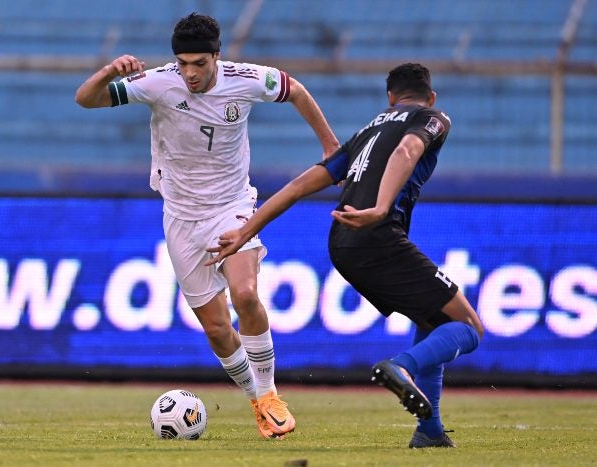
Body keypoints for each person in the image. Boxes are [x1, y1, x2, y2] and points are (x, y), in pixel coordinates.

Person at [75, 13, 339, 439]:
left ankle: (270, 395)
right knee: (217, 329)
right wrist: (108, 71)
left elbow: (297, 92)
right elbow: (85, 100)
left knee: (246, 294)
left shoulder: (248, 79)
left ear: (218, 56)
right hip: (180, 216)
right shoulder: (159, 83)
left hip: (233, 206)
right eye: (183, 63)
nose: (190, 72)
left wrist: (330, 146)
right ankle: (257, 402)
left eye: (199, 62)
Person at [206, 63, 485, 448]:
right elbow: (408, 148)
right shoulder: (433, 117)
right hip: (377, 236)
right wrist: (381, 208)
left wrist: (246, 229)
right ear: (430, 96)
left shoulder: (367, 131)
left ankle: (430, 431)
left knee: (435, 318)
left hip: (341, 244)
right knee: (470, 327)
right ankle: (402, 367)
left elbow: (300, 185)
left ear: (390, 97)